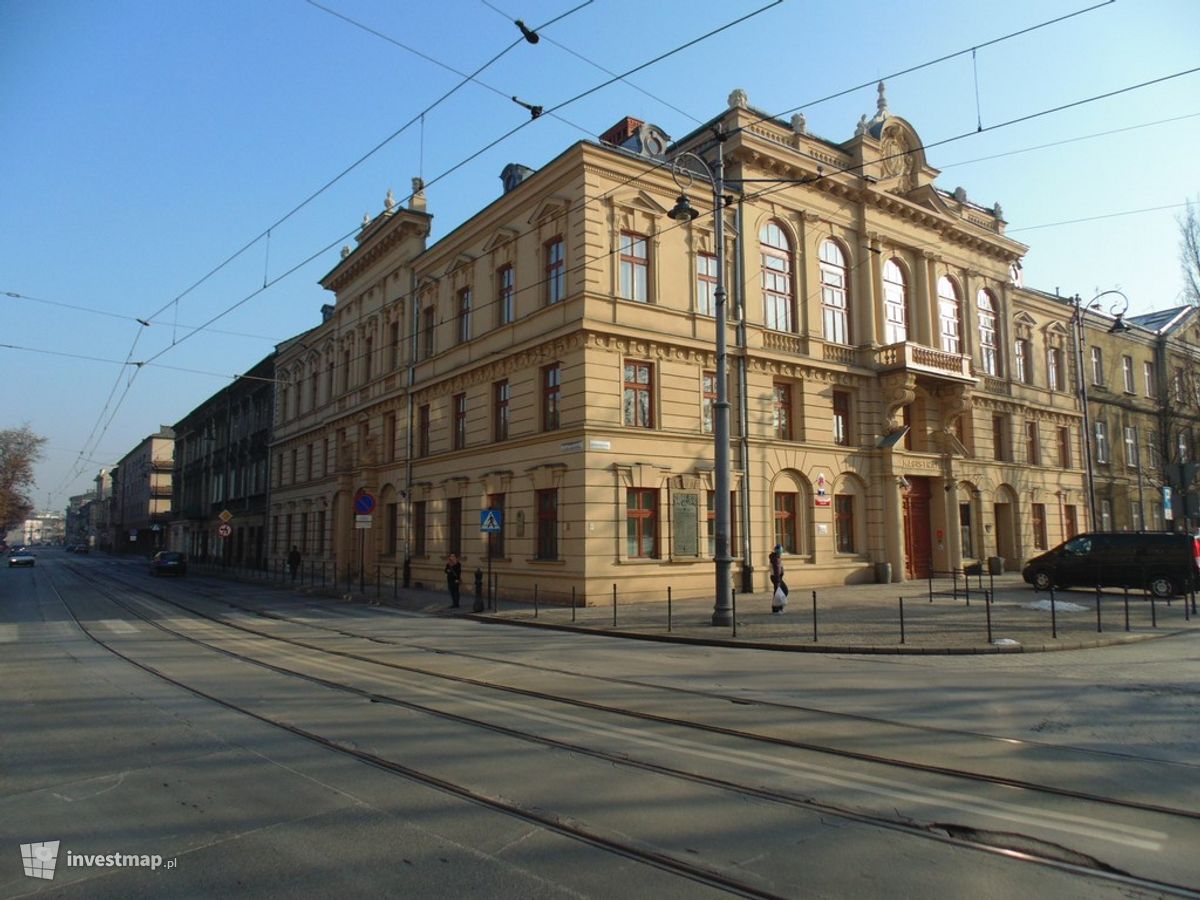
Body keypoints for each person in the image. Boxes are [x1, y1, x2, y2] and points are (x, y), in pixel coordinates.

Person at [769, 544, 788, 614]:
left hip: (776, 577)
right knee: (783, 591)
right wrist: (778, 581)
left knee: (779, 592)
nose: (781, 553)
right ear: (778, 551)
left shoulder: (776, 557)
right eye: (780, 551)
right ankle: (776, 609)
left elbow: (779, 568)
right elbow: (777, 570)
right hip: (776, 578)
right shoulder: (775, 559)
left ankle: (778, 608)